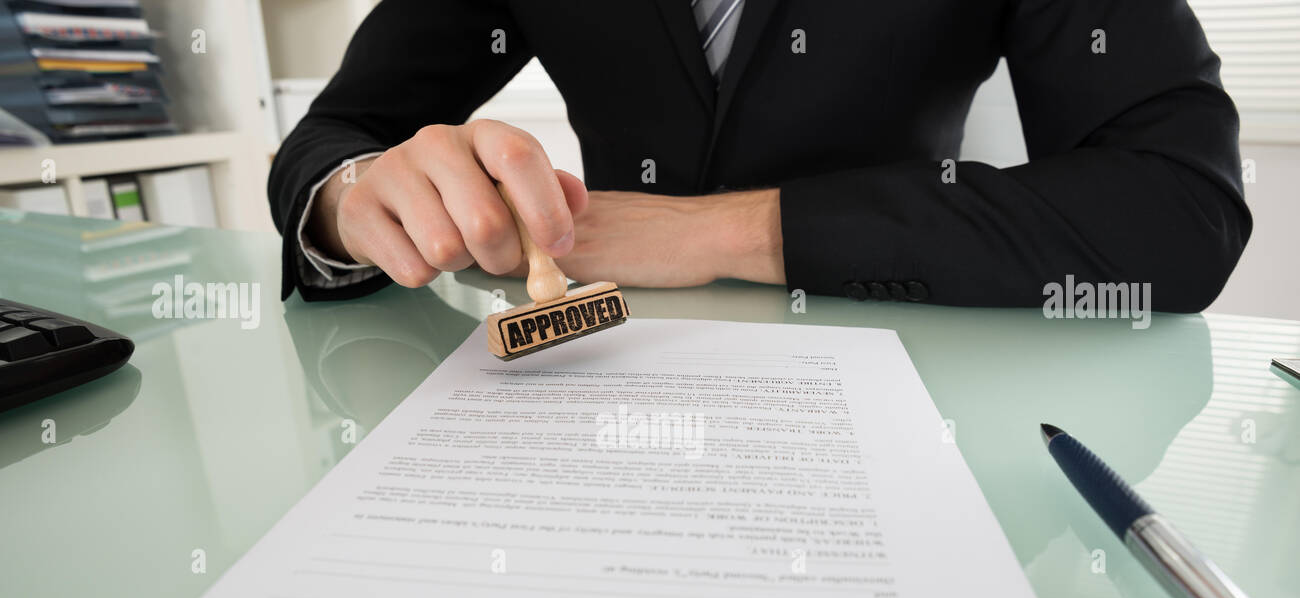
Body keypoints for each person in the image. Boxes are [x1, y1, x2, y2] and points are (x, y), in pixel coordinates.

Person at [269, 0, 1250, 315]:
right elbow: (335, 136)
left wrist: (728, 231)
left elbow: (1179, 204)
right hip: (595, 397)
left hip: (912, 363)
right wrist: (349, 199)